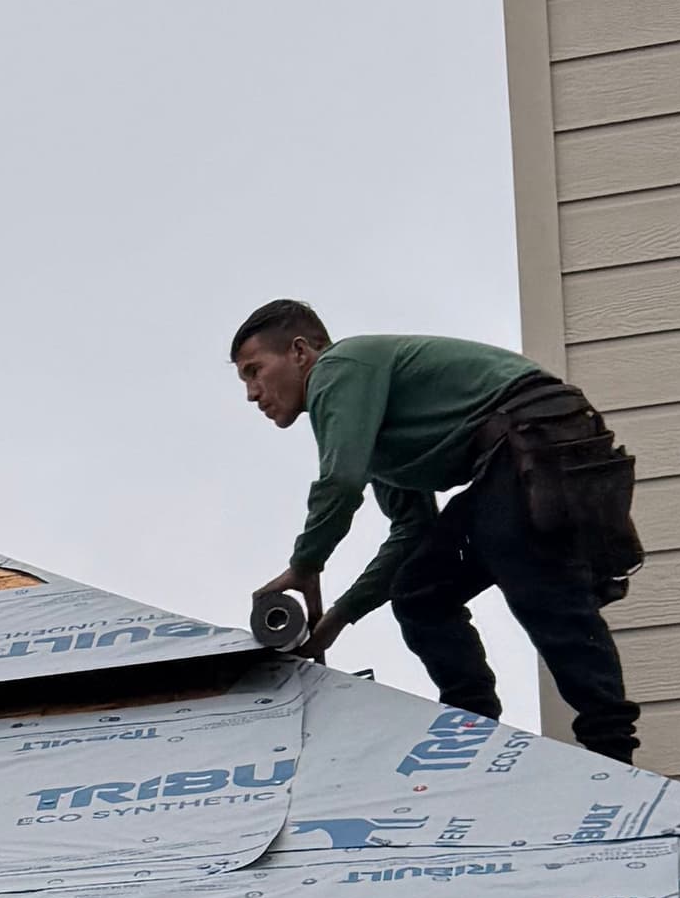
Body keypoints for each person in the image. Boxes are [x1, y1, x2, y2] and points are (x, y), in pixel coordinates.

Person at [230, 303, 642, 759]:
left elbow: (341, 482)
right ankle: (471, 724)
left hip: (537, 435)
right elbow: (412, 531)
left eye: (255, 370)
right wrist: (340, 617)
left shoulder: (337, 370)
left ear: (300, 352)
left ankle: (611, 747)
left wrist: (306, 564)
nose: (252, 393)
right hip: (517, 454)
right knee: (420, 591)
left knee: (536, 580)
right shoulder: (368, 422)